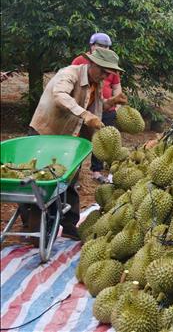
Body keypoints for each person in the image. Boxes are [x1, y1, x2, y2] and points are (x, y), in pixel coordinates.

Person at [26, 48, 127, 240]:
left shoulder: (95, 84)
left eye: (109, 74)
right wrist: (85, 115)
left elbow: (95, 108)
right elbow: (60, 95)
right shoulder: (69, 73)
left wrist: (112, 101)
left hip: (68, 139)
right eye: (103, 71)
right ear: (92, 63)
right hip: (46, 132)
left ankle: (70, 225)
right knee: (39, 182)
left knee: (70, 180)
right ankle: (34, 229)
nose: (105, 77)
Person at [72, 32, 121, 183]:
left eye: (106, 47)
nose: (103, 49)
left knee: (102, 141)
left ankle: (97, 170)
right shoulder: (80, 61)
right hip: (84, 107)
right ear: (91, 46)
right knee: (76, 139)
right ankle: (73, 174)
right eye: (100, 46)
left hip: (105, 108)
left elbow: (117, 86)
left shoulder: (111, 65)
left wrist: (116, 104)